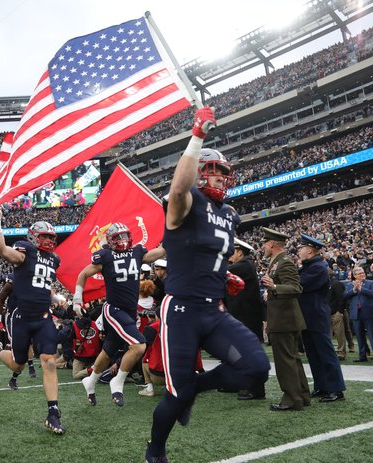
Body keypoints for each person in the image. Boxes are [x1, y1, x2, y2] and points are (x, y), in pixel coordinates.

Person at [146, 107, 270, 463]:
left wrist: (223, 275)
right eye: (211, 171)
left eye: (222, 173)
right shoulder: (185, 201)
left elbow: (211, 254)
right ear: (200, 172)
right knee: (175, 393)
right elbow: (179, 186)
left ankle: (194, 390)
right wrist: (197, 134)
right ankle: (155, 450)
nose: (218, 178)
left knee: (256, 368)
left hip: (213, 310)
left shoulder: (230, 214)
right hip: (181, 309)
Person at [0, 209, 65, 434]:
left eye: (51, 237)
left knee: (49, 361)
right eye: (45, 236)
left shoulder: (54, 260)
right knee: (18, 363)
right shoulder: (25, 251)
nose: (49, 240)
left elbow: (43, 285)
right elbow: (1, 250)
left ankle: (53, 412)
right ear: (33, 236)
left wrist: (56, 298)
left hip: (43, 318)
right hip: (21, 318)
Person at [75, 222, 166, 407]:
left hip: (130, 311)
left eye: (125, 236)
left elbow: (160, 252)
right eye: (119, 238)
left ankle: (90, 381)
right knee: (139, 346)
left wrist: (174, 233)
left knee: (108, 352)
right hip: (114, 309)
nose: (123, 241)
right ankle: (118, 381)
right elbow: (84, 273)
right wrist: (77, 298)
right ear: (110, 240)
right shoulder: (106, 256)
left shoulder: (137, 252)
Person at [260, 228, 310, 412]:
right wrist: (271, 290)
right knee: (292, 359)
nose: (263, 246)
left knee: (285, 362)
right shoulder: (277, 262)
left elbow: (296, 288)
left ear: (272, 244)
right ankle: (302, 396)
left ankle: (291, 399)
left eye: (265, 243)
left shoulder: (284, 262)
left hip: (284, 320)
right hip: (284, 318)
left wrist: (274, 287)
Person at [296, 234, 346, 402]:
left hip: (316, 315)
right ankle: (322, 386)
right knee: (313, 353)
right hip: (308, 315)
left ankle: (336, 389)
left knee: (326, 352)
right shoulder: (309, 265)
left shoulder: (317, 267)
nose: (299, 250)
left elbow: (298, 284)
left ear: (309, 250)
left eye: (301, 248)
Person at [226, 238, 266, 400]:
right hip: (242, 317)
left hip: (247, 318)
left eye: (232, 252)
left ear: (240, 252)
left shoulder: (244, 265)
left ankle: (256, 389)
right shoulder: (244, 265)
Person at [343, 266, 373, 363]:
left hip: (370, 313)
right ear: (355, 276)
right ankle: (362, 355)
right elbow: (345, 296)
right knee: (359, 336)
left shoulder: (371, 283)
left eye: (363, 272)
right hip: (356, 313)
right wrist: (354, 290)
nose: (362, 274)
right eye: (360, 273)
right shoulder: (349, 285)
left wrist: (361, 288)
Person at [328, 269, 347, 361]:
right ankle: (331, 352)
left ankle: (341, 352)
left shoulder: (336, 284)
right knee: (328, 334)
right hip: (326, 313)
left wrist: (340, 311)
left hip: (335, 312)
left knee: (340, 334)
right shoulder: (325, 284)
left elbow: (342, 298)